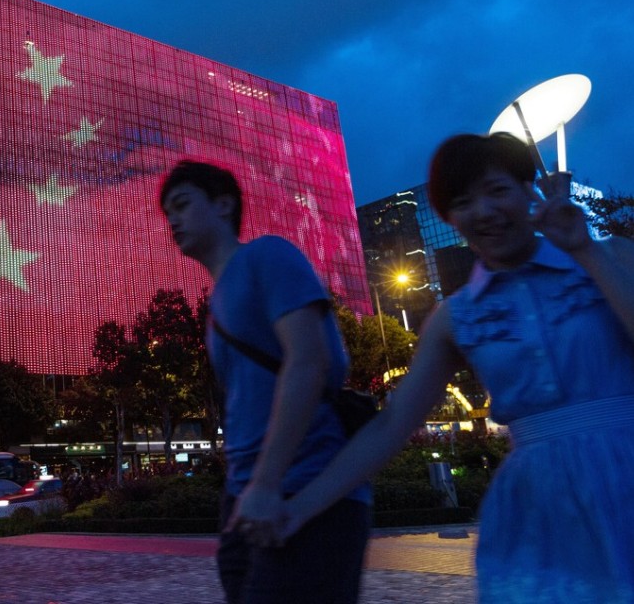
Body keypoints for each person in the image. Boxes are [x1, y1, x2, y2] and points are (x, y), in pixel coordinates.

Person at [282, 133, 634, 603]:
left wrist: (587, 251)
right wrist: (299, 506)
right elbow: (392, 427)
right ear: (448, 218)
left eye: (498, 190)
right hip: (541, 512)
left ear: (528, 190)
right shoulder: (457, 317)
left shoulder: (613, 256)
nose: (485, 212)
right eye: (464, 202)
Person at [159, 160, 371, 603]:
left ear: (223, 204)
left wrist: (267, 481)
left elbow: (311, 362)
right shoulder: (215, 308)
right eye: (167, 213)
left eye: (181, 204)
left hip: (307, 489)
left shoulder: (268, 256)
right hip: (245, 499)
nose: (173, 220)